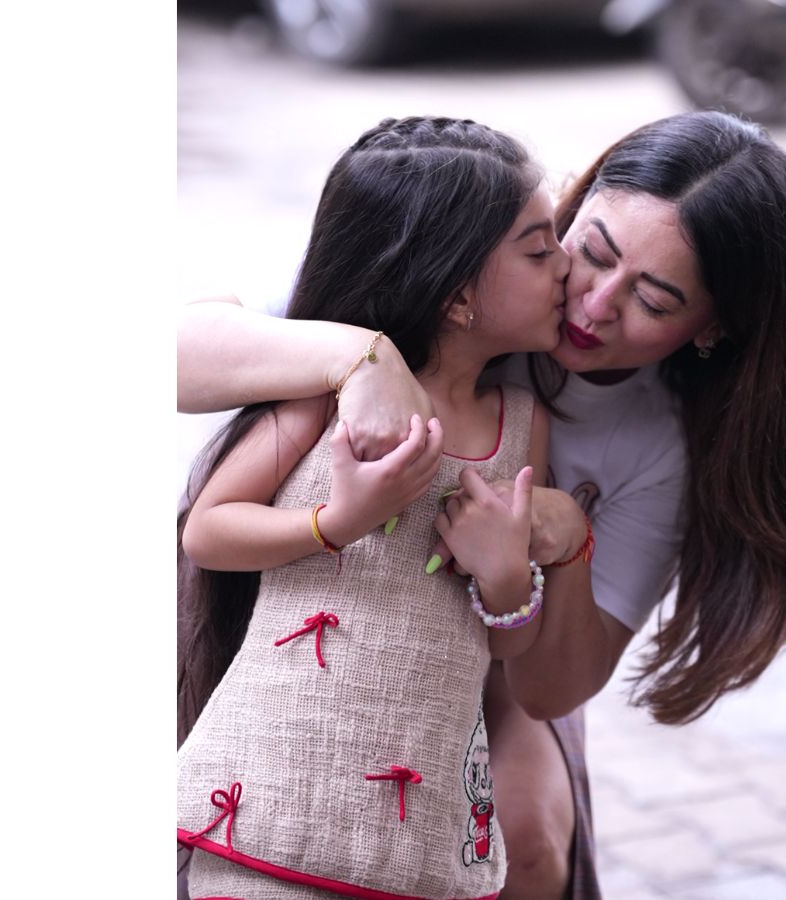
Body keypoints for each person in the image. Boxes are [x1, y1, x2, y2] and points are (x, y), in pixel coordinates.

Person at [177, 109, 786, 900]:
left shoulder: (656, 445)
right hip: (296, 593)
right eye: (592, 252)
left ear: (714, 328)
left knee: (524, 840)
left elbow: (548, 687)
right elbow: (183, 352)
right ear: (575, 205)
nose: (593, 304)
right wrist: (359, 355)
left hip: (488, 648)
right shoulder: (468, 254)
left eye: (655, 300)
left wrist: (566, 546)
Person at [176, 115, 577, 900]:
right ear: (457, 295)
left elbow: (503, 644)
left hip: (415, 833)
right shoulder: (329, 395)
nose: (568, 266)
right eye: (539, 251)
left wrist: (505, 580)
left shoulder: (523, 427)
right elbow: (208, 533)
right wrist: (337, 523)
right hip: (271, 802)